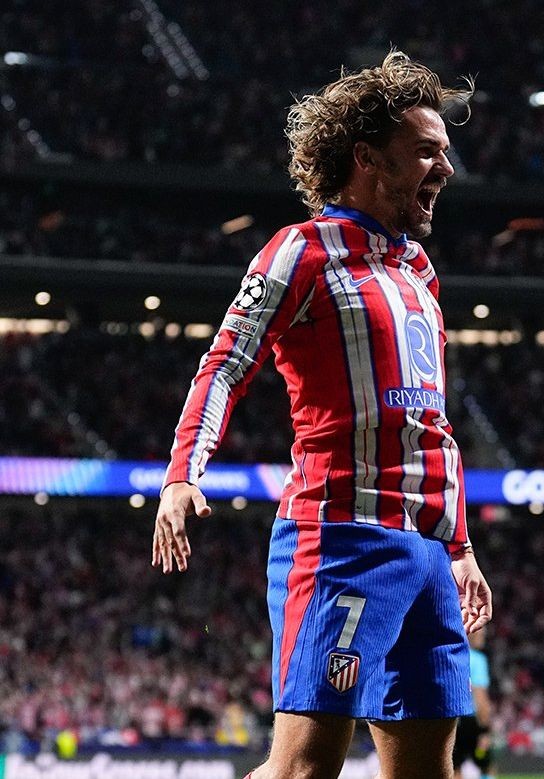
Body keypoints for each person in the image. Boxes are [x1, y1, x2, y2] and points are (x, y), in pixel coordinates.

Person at [151, 51, 493, 779]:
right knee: (303, 769)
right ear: (366, 158)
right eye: (426, 151)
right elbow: (226, 363)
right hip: (342, 539)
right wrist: (183, 472)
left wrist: (459, 546)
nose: (446, 168)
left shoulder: (419, 270)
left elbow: (432, 423)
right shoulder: (300, 252)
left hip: (430, 554)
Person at [453, 628, 495, 779]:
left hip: (453, 719)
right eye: (480, 633)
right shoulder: (477, 659)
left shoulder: (454, 656)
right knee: (485, 765)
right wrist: (485, 730)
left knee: (455, 767)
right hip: (472, 723)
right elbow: (480, 696)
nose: (483, 637)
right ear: (470, 634)